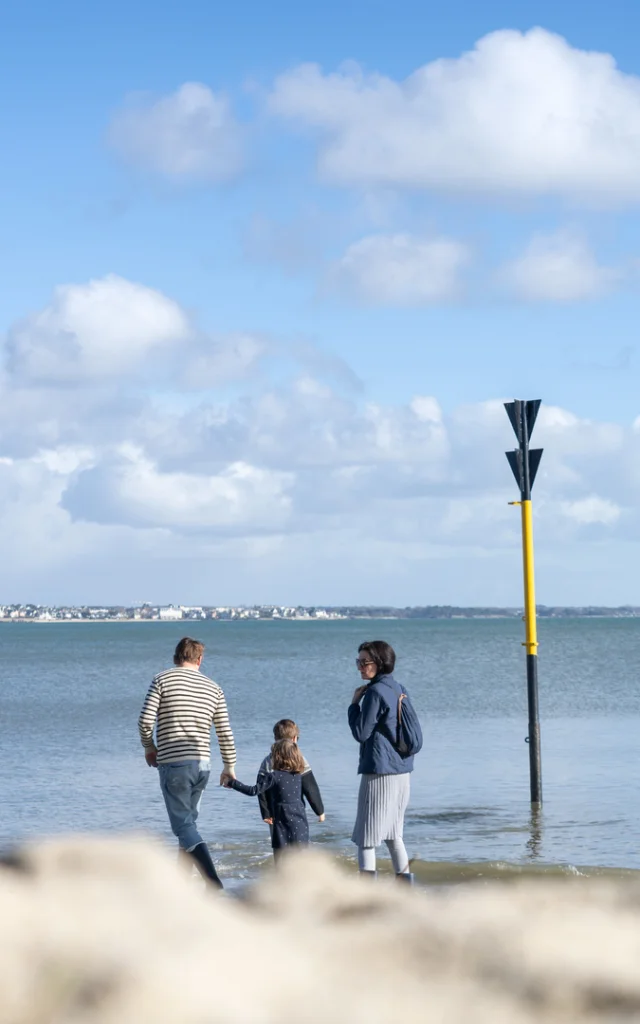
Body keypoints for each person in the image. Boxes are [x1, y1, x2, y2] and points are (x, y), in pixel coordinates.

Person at [138, 636, 237, 889]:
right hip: (203, 764)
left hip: (175, 764)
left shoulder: (162, 679)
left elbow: (145, 721)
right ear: (200, 660)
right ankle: (179, 883)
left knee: (183, 826)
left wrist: (150, 747)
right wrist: (230, 767)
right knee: (188, 824)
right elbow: (224, 732)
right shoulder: (214, 688)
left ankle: (212, 882)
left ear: (175, 658)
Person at [348, 640, 414, 883]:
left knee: (366, 837)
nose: (360, 667)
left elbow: (361, 733)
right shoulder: (398, 687)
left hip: (379, 771)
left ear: (380, 663)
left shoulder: (374, 692)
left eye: (365, 662)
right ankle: (406, 888)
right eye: (359, 662)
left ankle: (366, 895)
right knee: (393, 835)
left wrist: (354, 705)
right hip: (402, 770)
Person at [224, 739, 325, 856]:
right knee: (301, 858)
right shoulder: (298, 775)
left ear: (277, 757)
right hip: (300, 824)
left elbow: (253, 791)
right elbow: (309, 791)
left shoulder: (273, 776)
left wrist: (232, 782)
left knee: (282, 860)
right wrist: (319, 811)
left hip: (282, 825)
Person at [257, 719, 323, 828]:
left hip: (275, 813)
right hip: (296, 811)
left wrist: (266, 813)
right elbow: (310, 787)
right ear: (294, 739)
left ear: (275, 739)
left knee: (279, 842)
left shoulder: (268, 761)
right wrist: (319, 811)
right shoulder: (300, 760)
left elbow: (261, 790)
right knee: (299, 839)